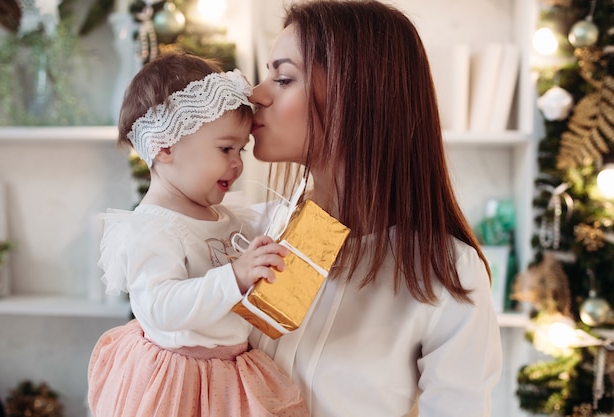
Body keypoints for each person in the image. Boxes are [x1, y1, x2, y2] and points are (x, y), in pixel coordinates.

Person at [248, 1, 503, 416]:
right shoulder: (248, 232)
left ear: (358, 95)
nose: (256, 94)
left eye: (283, 78)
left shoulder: (446, 272)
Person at [87, 53, 308, 417]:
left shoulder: (223, 214)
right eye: (225, 148)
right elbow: (161, 306)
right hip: (180, 379)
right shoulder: (153, 228)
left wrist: (305, 204)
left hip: (229, 372)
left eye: (241, 149)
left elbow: (270, 221)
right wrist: (235, 277)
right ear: (165, 146)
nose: (237, 163)